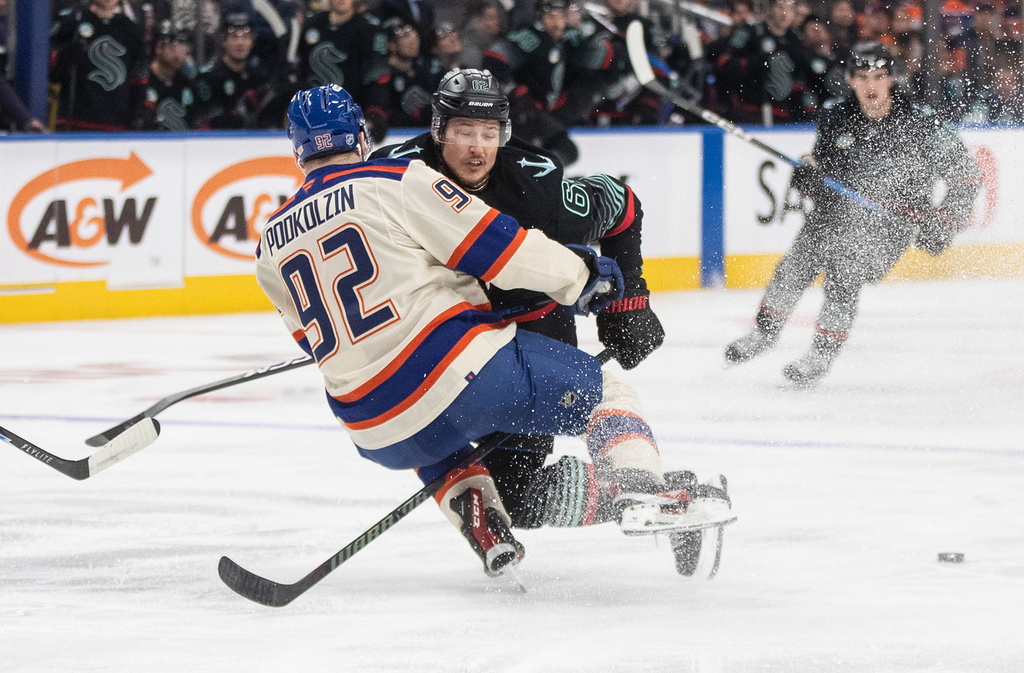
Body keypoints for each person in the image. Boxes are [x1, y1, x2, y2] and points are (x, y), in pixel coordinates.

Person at [257, 83, 683, 578]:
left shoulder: (269, 244)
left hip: (371, 430)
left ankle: (485, 526)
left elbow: (314, 342)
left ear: (296, 151)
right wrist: (583, 278)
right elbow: (503, 250)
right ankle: (641, 487)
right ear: (360, 135)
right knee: (607, 391)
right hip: (463, 377)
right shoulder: (394, 178)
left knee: (430, 431)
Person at [368, 69, 723, 577]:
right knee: (518, 497)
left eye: (490, 133)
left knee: (597, 401)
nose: (477, 147)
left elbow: (622, 205)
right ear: (438, 129)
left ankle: (657, 493)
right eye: (465, 131)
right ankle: (676, 493)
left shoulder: (535, 184)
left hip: (533, 332)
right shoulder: (393, 176)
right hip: (456, 343)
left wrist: (630, 304)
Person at [724, 43, 981, 384]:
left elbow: (966, 176)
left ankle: (821, 354)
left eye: (879, 76)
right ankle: (765, 333)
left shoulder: (922, 123)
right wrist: (809, 175)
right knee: (795, 265)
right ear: (850, 81)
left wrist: (945, 221)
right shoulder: (835, 115)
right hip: (834, 214)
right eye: (862, 77)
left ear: (893, 80)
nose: (870, 86)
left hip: (893, 224)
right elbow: (821, 167)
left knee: (845, 272)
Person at [49, 0, 149, 131]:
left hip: (117, 126)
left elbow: (138, 77)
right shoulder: (72, 20)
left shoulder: (130, 29)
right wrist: (63, 57)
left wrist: (138, 113)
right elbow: (51, 72)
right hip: (75, 123)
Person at [140, 20, 196, 131]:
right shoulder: (143, 81)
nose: (177, 54)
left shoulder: (186, 82)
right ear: (158, 48)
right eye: (171, 47)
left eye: (182, 48)